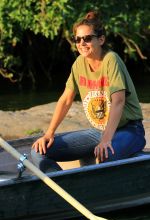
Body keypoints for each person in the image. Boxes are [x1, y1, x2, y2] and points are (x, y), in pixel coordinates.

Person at [31, 11, 146, 172]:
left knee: (106, 153)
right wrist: (49, 133)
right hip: (98, 132)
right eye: (77, 39)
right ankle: (67, 189)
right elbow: (66, 99)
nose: (81, 43)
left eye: (87, 38)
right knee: (38, 151)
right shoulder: (79, 64)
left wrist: (106, 140)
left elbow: (118, 101)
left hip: (129, 129)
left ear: (101, 39)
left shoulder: (111, 60)